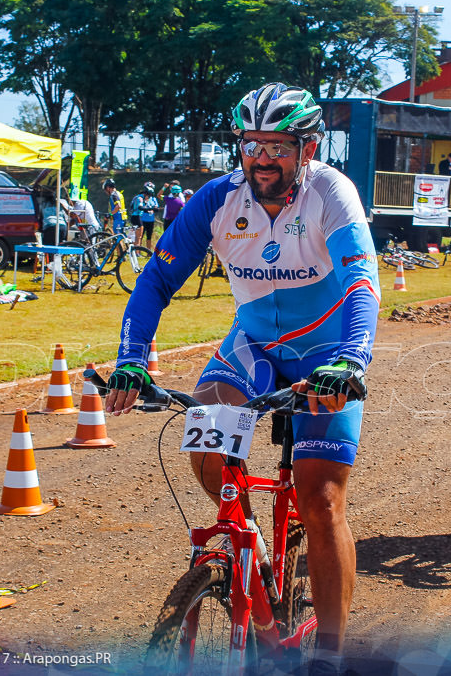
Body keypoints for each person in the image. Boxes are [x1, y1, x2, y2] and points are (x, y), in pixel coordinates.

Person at [104, 82, 381, 673]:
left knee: (320, 498)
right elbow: (154, 281)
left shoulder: (332, 193)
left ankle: (329, 654)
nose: (261, 157)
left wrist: (351, 362)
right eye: (251, 142)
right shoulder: (217, 199)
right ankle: (248, 551)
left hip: (326, 357)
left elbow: (362, 284)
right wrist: (132, 358)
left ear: (308, 148)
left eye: (277, 144)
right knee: (203, 448)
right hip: (251, 347)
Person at [130, 182, 160, 248]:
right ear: (146, 194)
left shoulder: (138, 197)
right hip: (137, 217)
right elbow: (140, 207)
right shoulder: (140, 198)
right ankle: (136, 252)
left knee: (138, 236)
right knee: (138, 237)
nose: (149, 197)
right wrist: (151, 208)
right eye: (149, 196)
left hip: (136, 217)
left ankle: (136, 251)